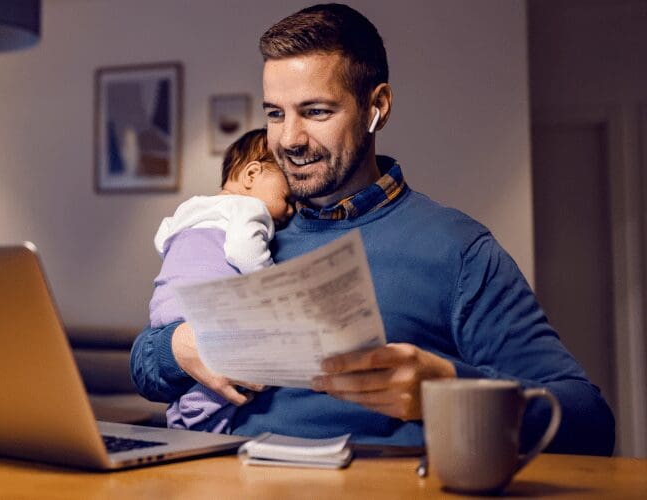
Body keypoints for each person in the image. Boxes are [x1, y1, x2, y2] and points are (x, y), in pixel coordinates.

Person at [131, 3, 615, 455]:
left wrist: (444, 389)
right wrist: (176, 348)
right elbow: (147, 369)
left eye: (316, 112)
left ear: (376, 106)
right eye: (275, 114)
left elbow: (589, 422)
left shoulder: (457, 250)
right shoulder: (249, 227)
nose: (289, 139)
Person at [150, 128, 293, 433]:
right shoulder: (250, 208)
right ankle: (198, 411)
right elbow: (244, 253)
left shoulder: (190, 207)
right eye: (287, 197)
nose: (291, 211)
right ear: (252, 174)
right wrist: (272, 282)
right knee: (255, 359)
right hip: (208, 304)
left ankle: (180, 413)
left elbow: (162, 239)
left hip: (165, 305)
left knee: (197, 370)